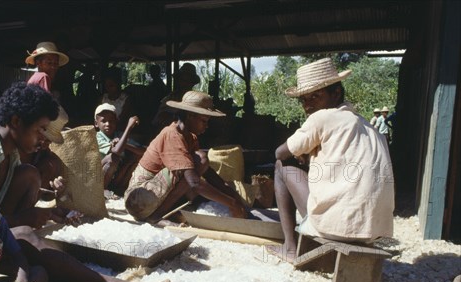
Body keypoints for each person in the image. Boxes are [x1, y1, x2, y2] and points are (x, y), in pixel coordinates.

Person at [0, 82, 169, 282]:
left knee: (28, 179)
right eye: (39, 130)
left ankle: (70, 271)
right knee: (27, 237)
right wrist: (23, 221)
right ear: (16, 122)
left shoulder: (11, 155)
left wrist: (44, 214)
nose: (43, 139)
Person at [266, 58, 394, 263]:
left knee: (282, 167)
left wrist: (298, 153)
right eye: (304, 100)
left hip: (338, 228)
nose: (308, 105)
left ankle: (290, 248)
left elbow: (279, 153)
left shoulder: (323, 118)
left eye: (315, 96)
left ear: (336, 93)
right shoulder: (370, 128)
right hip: (375, 229)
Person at [124, 91, 247, 223]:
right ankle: (156, 216)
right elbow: (194, 183)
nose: (206, 126)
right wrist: (232, 203)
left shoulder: (190, 137)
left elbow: (207, 172)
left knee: (198, 163)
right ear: (190, 116)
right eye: (204, 121)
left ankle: (163, 212)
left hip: (152, 196)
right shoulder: (172, 134)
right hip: (138, 200)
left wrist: (235, 197)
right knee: (197, 163)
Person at [25, 41, 69, 189]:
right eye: (49, 62)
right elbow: (46, 110)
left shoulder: (35, 78)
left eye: (55, 63)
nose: (53, 67)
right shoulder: (43, 77)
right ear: (38, 62)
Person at [95, 103, 145, 195]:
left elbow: (144, 152)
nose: (108, 124)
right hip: (98, 179)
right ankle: (101, 190)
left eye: (111, 121)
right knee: (112, 158)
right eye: (103, 121)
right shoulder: (96, 137)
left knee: (136, 157)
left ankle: (118, 189)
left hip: (116, 178)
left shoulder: (119, 135)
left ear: (116, 122)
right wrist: (129, 127)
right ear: (96, 124)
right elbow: (116, 151)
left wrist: (125, 144)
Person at [151, 63, 200, 133]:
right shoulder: (169, 98)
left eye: (188, 81)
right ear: (179, 81)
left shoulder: (196, 100)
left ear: (192, 83)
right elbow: (157, 121)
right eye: (183, 80)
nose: (185, 84)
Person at [100, 67, 134, 131]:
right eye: (106, 86)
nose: (108, 89)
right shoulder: (103, 98)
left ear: (118, 84)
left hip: (120, 132)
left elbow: (123, 121)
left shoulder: (126, 99)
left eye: (111, 86)